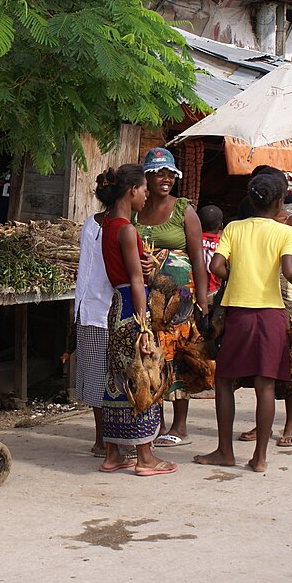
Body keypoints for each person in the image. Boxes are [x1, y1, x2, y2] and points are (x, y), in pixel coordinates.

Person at [195, 173, 292, 473]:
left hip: (238, 313)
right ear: (281, 201)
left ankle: (225, 452)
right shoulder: (285, 232)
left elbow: (216, 266)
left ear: (250, 200)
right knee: (265, 385)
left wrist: (237, 276)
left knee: (225, 381)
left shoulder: (234, 228)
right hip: (271, 314)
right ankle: (259, 457)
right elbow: (291, 272)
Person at [98, 164, 176, 476]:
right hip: (132, 308)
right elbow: (136, 280)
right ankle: (145, 458)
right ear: (132, 191)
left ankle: (113, 454)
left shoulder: (107, 223)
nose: (146, 195)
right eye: (144, 189)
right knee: (143, 375)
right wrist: (145, 326)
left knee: (117, 378)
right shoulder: (128, 229)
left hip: (115, 308)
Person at [134, 147, 208, 448]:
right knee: (153, 355)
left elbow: (198, 260)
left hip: (180, 299)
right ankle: (157, 421)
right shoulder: (137, 211)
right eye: (158, 174)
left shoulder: (184, 210)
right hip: (149, 297)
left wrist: (202, 302)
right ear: (147, 178)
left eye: (169, 174)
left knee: (179, 356)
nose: (165, 179)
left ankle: (180, 425)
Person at [236, 166, 292, 449]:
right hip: (258, 297)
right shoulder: (249, 218)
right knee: (263, 365)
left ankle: (290, 421)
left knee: (290, 363)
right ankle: (263, 421)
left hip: (287, 299)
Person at [74, 171, 120, 457]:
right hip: (105, 310)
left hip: (89, 309)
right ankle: (107, 440)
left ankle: (103, 439)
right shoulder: (120, 227)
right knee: (109, 380)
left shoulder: (92, 223)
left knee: (96, 378)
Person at [198, 205, 223, 294]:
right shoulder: (223, 245)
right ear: (221, 226)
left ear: (198, 223)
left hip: (194, 289)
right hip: (214, 291)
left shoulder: (193, 242)